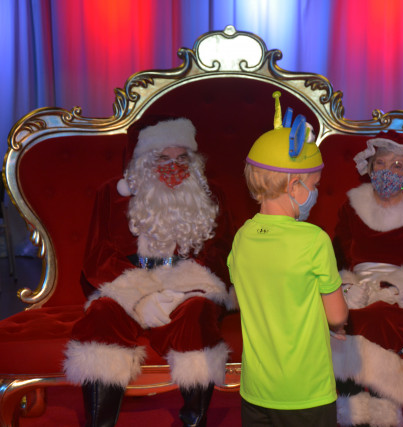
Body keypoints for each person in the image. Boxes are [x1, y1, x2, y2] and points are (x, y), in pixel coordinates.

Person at [63, 117, 236, 427]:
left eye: (182, 158)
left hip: (188, 291)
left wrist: (178, 292)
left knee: (197, 313)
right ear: (144, 161)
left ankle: (193, 420)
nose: (174, 166)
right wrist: (140, 297)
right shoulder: (111, 195)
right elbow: (99, 255)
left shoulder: (212, 196)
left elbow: (221, 253)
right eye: (163, 158)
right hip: (127, 286)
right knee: (102, 314)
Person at [227, 92, 349, 427]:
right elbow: (336, 314)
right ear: (295, 186)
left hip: (256, 392)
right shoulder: (313, 240)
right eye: (315, 185)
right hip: (306, 393)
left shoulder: (240, 239)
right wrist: (337, 325)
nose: (316, 193)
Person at [330, 130, 403, 426]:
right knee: (338, 314)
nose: (388, 171)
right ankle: (350, 407)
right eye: (381, 163)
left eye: (397, 165)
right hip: (356, 284)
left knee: (378, 316)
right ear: (369, 166)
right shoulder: (352, 205)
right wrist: (345, 285)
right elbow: (337, 256)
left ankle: (383, 408)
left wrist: (391, 289)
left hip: (402, 291)